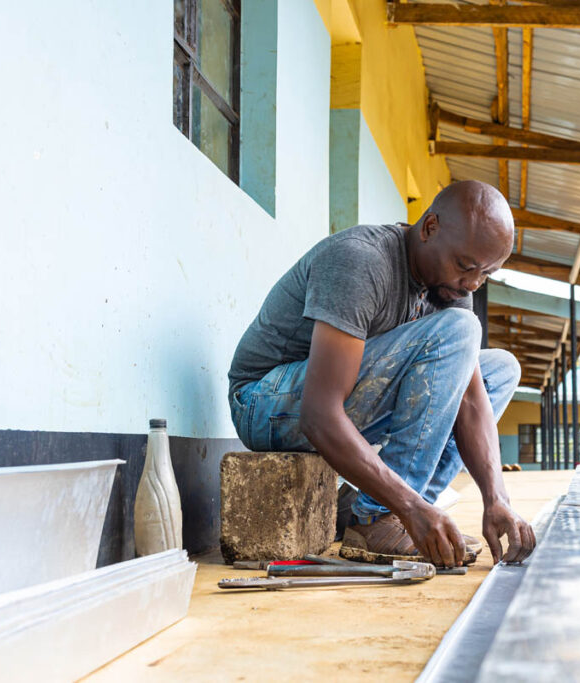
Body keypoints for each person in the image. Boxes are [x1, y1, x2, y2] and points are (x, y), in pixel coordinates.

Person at [227, 180, 536, 568]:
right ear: (429, 228)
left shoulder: (452, 288)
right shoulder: (361, 261)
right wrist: (408, 506)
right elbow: (319, 414)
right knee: (461, 331)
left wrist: (497, 500)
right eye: (465, 267)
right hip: (262, 401)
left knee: (501, 371)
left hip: (326, 403)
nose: (472, 283)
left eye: (486, 274)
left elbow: (473, 401)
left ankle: (375, 512)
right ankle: (379, 518)